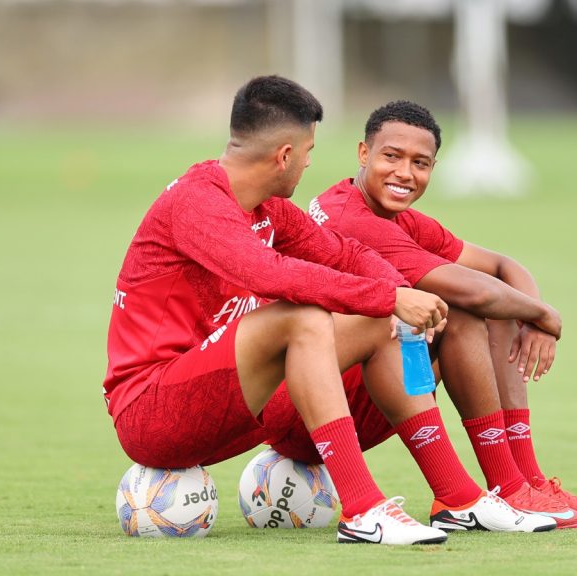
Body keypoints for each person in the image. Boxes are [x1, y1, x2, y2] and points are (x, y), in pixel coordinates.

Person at [103, 76, 454, 545]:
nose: (310, 162)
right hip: (152, 414)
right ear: (284, 155)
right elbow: (273, 275)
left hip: (231, 395)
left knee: (377, 323)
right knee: (303, 317)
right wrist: (392, 298)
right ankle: (364, 509)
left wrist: (397, 293)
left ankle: (458, 496)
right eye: (308, 151)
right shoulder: (196, 203)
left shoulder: (269, 207)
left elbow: (342, 253)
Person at [269, 101, 577, 528]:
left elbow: (503, 267)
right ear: (364, 153)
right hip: (306, 408)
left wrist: (535, 315)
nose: (404, 173)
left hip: (349, 388)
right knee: (470, 311)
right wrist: (548, 316)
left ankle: (526, 480)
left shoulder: (402, 220)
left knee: (497, 306)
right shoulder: (352, 218)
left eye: (420, 163)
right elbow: (476, 290)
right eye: (391, 157)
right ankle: (508, 487)